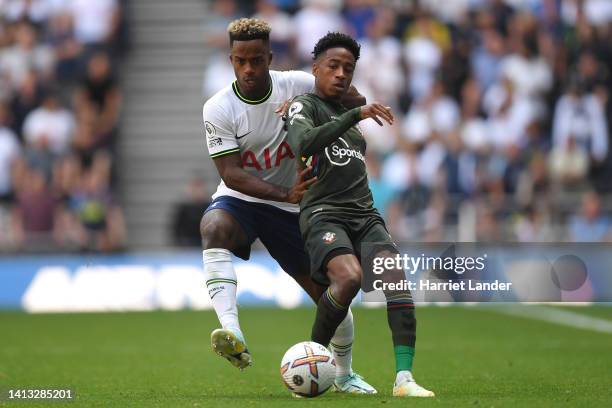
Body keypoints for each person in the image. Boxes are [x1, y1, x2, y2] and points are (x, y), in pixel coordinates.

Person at [201, 18, 376, 393]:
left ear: (270, 57)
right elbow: (231, 174)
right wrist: (284, 194)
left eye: (257, 60)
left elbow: (355, 98)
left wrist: (306, 103)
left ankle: (344, 374)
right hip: (246, 198)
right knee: (214, 227)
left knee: (333, 293)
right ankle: (232, 331)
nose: (249, 69)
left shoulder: (296, 84)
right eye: (240, 61)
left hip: (295, 209)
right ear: (231, 59)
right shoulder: (217, 108)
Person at [286, 32, 435, 398]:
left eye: (348, 69)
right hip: (324, 213)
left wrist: (355, 110)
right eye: (333, 66)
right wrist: (356, 111)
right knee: (349, 278)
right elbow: (302, 143)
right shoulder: (304, 106)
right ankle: (315, 358)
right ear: (316, 68)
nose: (340, 74)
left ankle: (404, 380)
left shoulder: (350, 115)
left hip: (365, 214)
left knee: (397, 280)